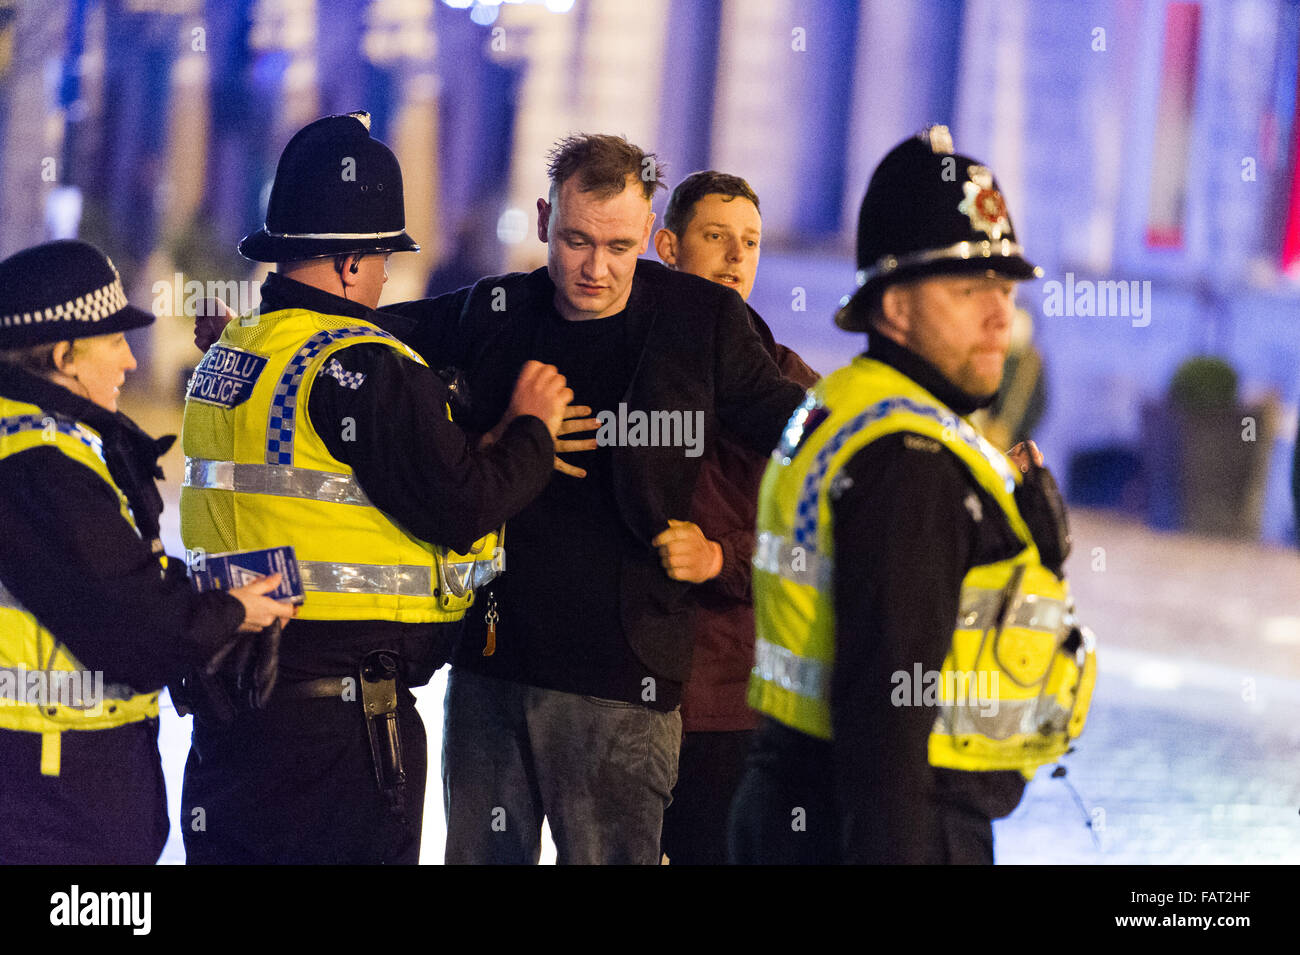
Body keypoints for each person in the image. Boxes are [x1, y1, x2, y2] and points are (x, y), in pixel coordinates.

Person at [383, 133, 806, 865]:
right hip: (493, 669)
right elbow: (376, 342)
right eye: (577, 241)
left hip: (624, 685)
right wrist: (266, 328)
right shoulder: (497, 308)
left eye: (618, 245)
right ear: (545, 218)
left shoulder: (700, 321)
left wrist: (926, 441)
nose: (597, 268)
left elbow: (801, 428)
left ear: (648, 234)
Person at [178, 112, 572, 864]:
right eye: (385, 257)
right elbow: (464, 505)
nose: (389, 275)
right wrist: (533, 429)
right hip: (341, 731)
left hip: (234, 705)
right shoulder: (366, 365)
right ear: (352, 263)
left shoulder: (234, 353)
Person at [729, 126, 1096, 864]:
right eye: (969, 290)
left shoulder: (856, 404)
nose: (1002, 318)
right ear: (894, 307)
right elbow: (885, 722)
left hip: (801, 800)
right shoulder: (911, 459)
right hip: (891, 825)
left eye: (1004, 288)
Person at [0, 239, 294, 864]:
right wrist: (232, 612)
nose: (130, 362)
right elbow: (136, 629)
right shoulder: (41, 465)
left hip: (47, 790)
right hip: (53, 808)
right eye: (114, 342)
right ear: (64, 356)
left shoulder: (32, 443)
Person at [651, 170, 818, 864]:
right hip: (622, 687)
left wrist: (723, 557)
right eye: (715, 237)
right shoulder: (628, 361)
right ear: (668, 246)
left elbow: (813, 538)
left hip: (726, 700)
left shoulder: (791, 382)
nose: (735, 257)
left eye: (748, 242)